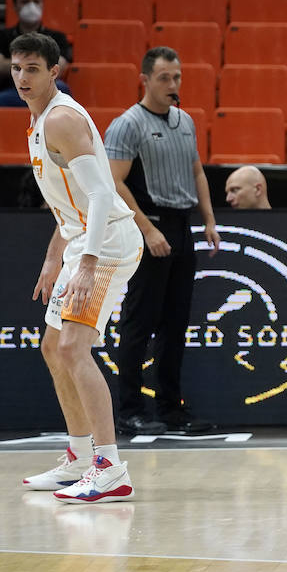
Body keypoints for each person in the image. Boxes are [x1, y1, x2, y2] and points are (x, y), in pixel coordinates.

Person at [12, 32, 144, 503]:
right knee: (53, 347)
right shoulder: (38, 121)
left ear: (54, 72)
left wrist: (86, 260)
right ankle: (79, 459)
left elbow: (102, 195)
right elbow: (67, 206)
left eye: (32, 69)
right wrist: (54, 259)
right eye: (17, 68)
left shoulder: (62, 120)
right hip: (81, 241)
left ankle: (110, 468)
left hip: (105, 244)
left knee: (72, 348)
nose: (23, 78)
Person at [104, 47, 220, 435]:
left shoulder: (185, 120)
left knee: (176, 323)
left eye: (178, 77)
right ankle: (129, 410)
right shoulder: (127, 125)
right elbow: (113, 183)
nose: (173, 85)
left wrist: (209, 220)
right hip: (147, 226)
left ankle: (171, 408)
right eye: (165, 78)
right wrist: (147, 230)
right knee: (139, 322)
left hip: (181, 226)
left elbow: (197, 172)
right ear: (146, 80)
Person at [0, 0, 72, 108]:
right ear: (15, 5)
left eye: (36, 1)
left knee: (62, 88)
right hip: (10, 93)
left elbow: (59, 67)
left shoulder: (57, 37)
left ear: (42, 4)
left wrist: (15, 65)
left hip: (44, 93)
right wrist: (38, 65)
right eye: (25, 1)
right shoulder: (1, 36)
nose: (31, 6)